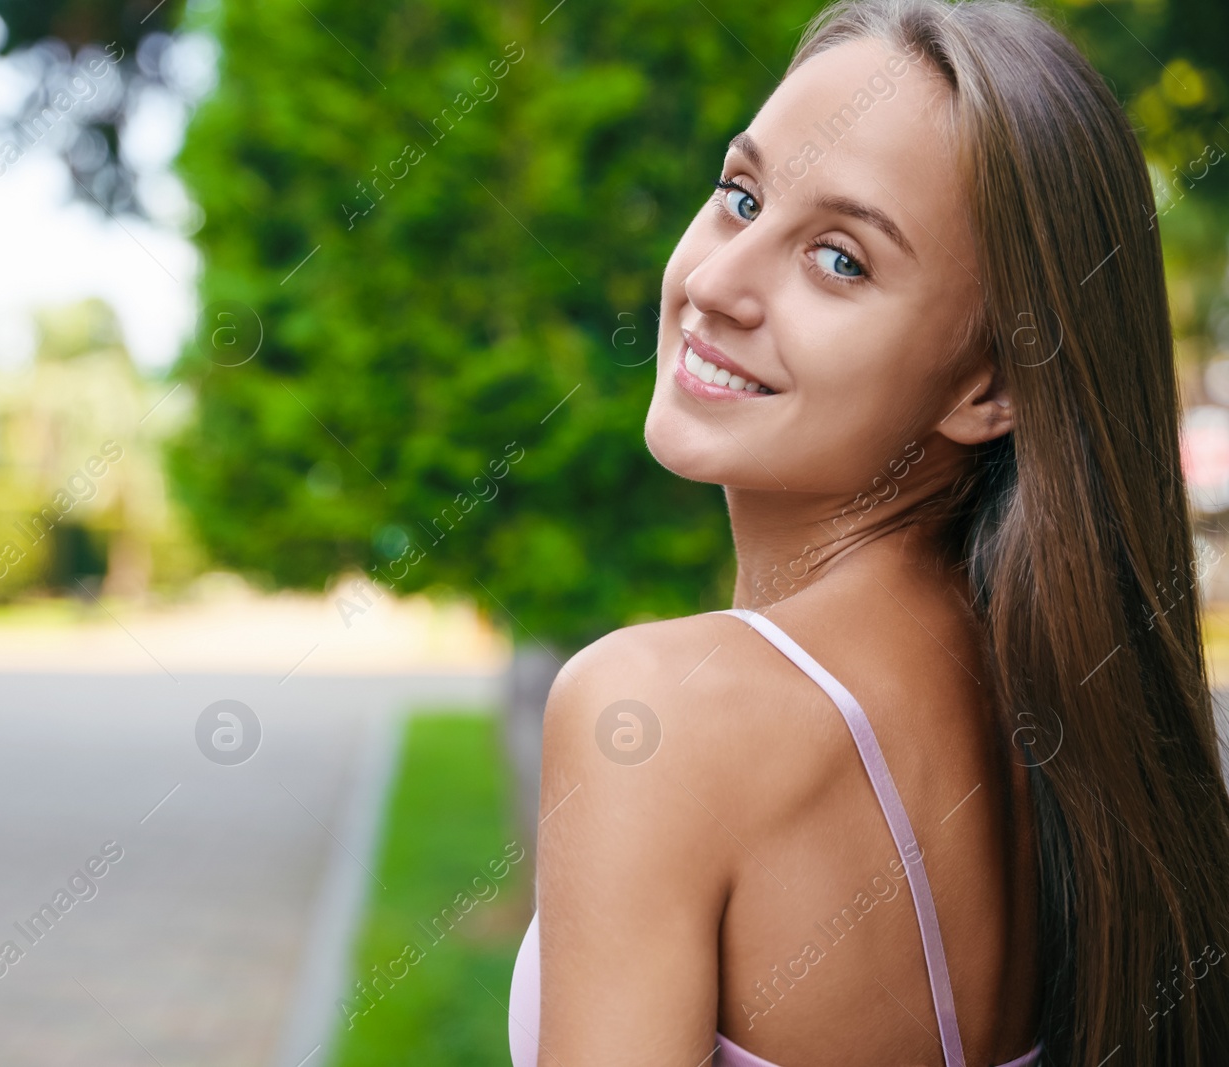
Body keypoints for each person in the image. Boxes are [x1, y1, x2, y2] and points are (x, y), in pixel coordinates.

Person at [506, 0, 1229, 1064]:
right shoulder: (1069, 717)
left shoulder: (656, 712)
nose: (713, 283)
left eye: (839, 260)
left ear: (991, 387)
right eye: (740, 196)